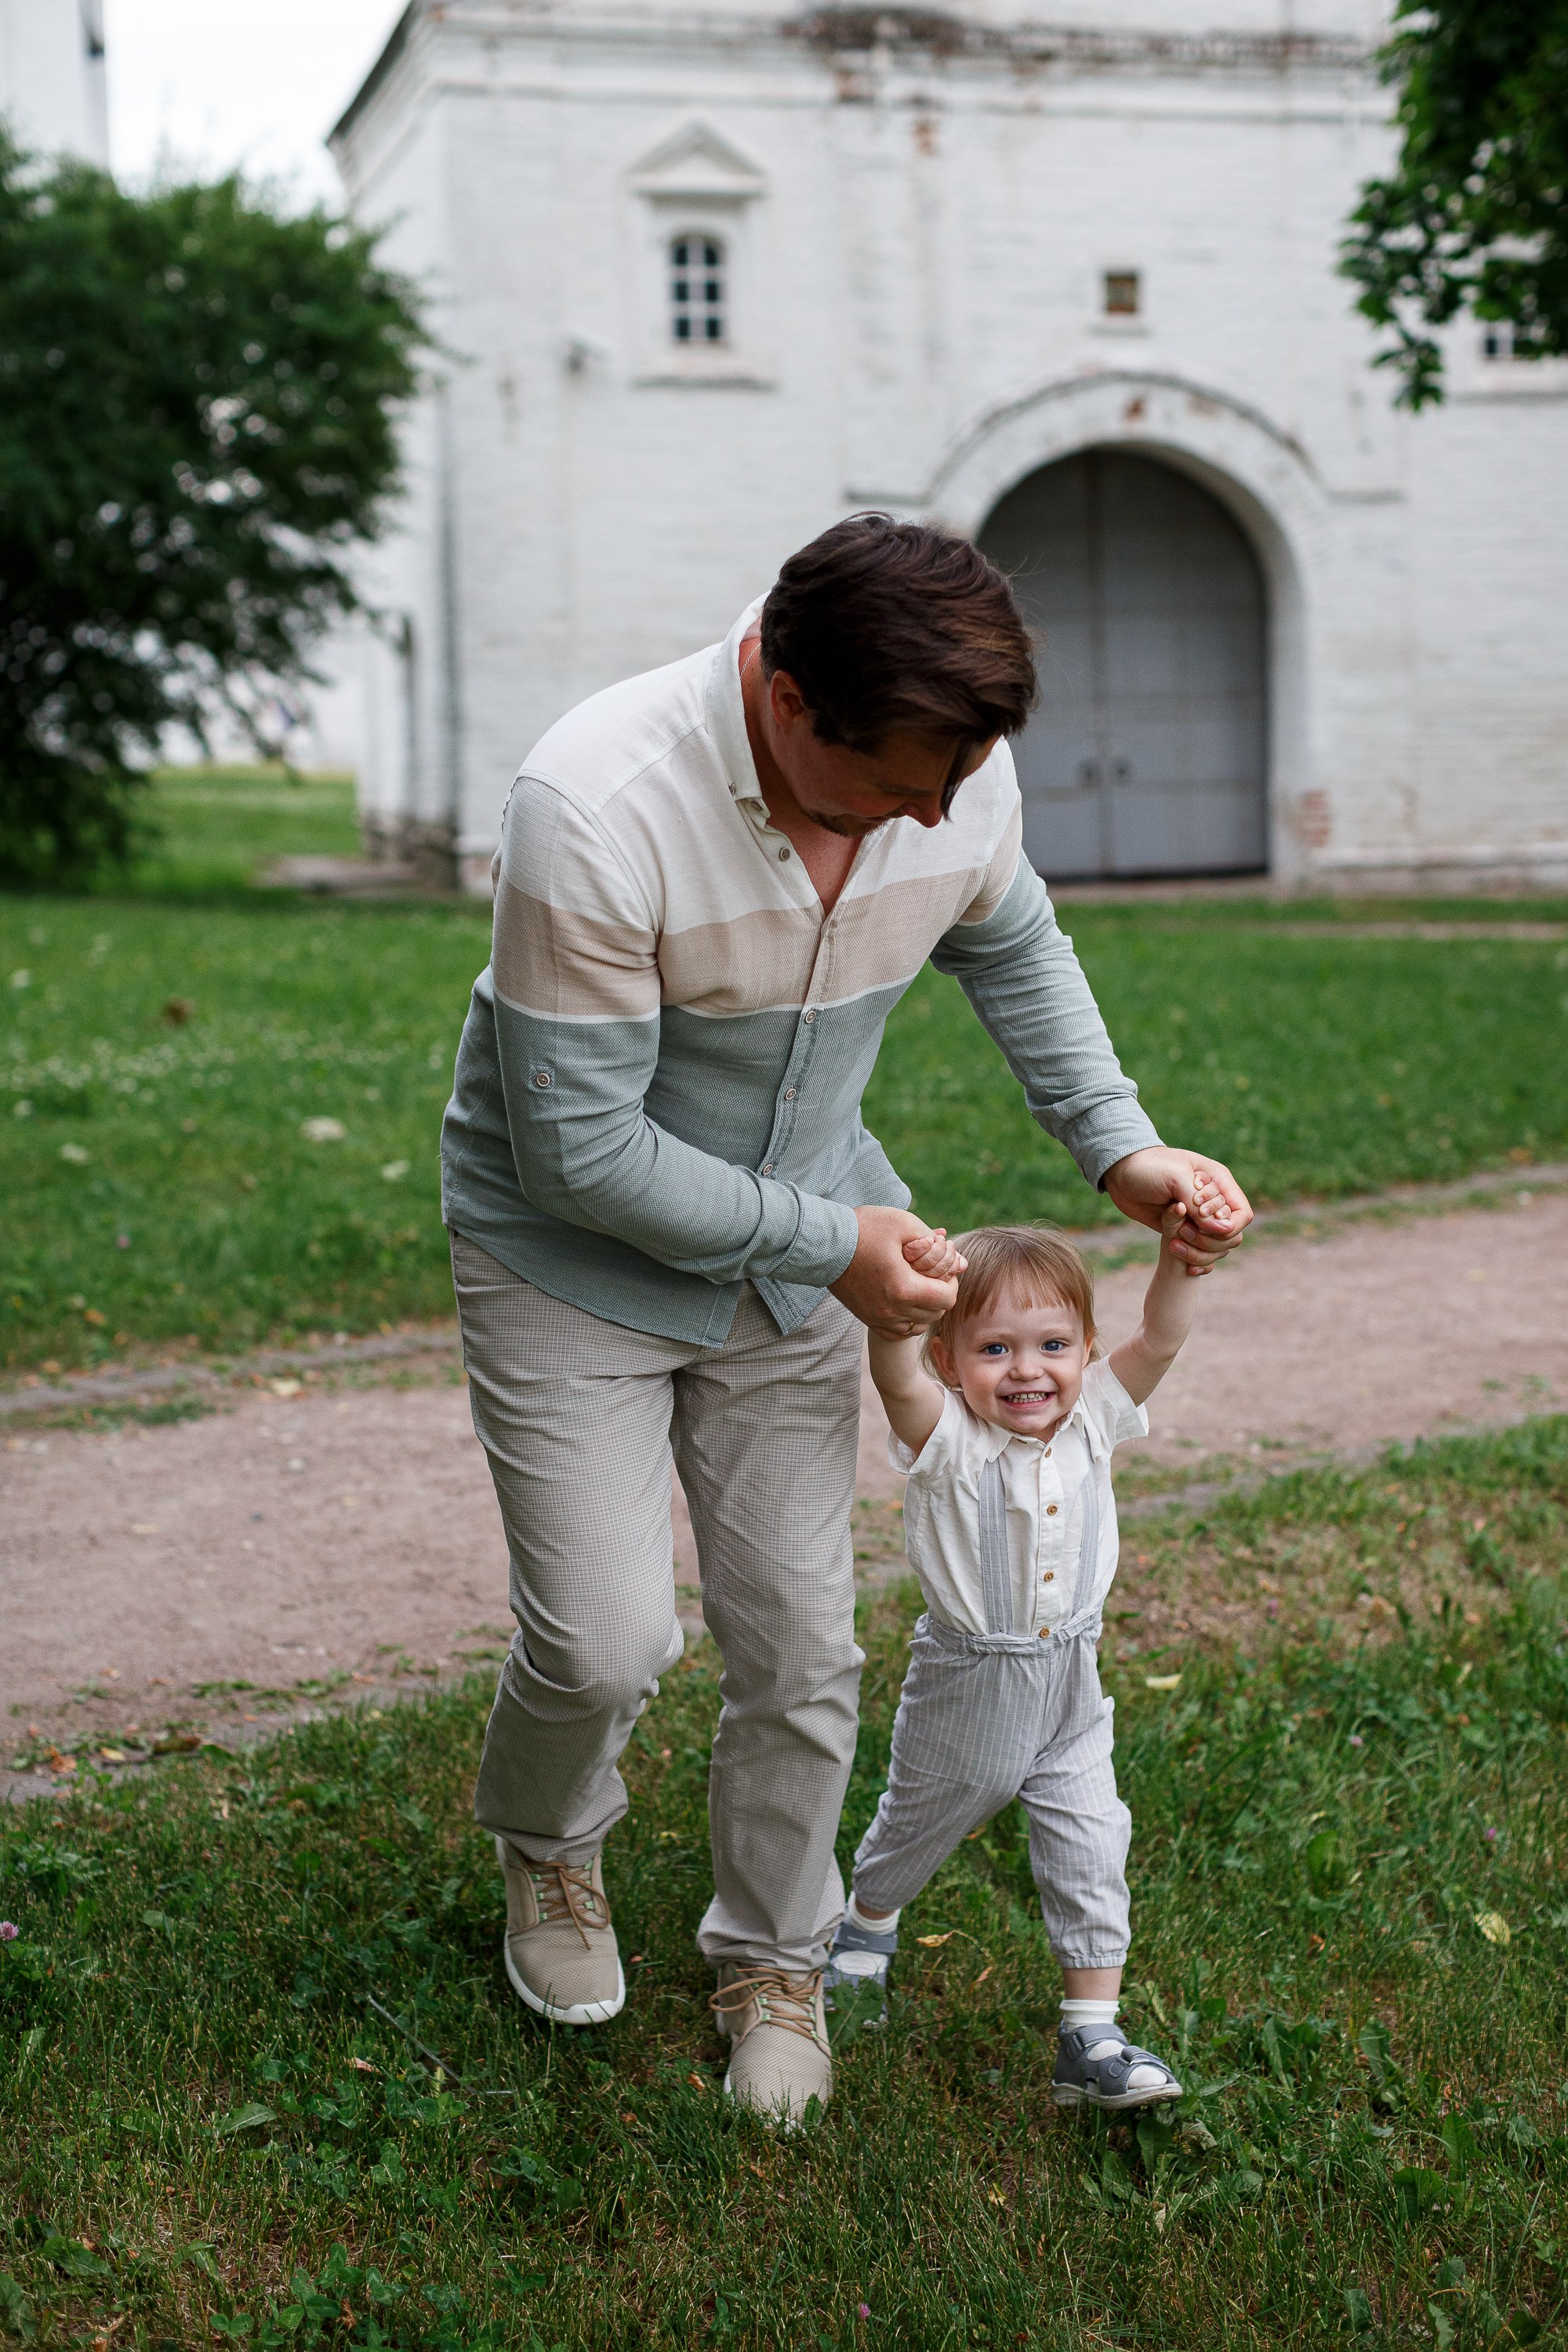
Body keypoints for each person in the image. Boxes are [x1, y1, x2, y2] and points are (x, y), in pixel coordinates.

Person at [440, 513, 1250, 2126]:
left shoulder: (946, 765)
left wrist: (1120, 1142)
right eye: (894, 784)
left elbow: (1009, 937)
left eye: (955, 784)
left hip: (807, 1247)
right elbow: (579, 1148)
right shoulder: (596, 803)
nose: (931, 820)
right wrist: (836, 1245)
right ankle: (549, 1848)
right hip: (566, 1260)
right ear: (786, 699)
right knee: (605, 1644)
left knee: (804, 1647)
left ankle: (774, 1956)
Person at [823, 1210, 1214, 2109]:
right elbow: (895, 1380)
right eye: (994, 1349)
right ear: (948, 1362)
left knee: (1091, 1832)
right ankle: (865, 1926)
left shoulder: (1093, 1422)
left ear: (1083, 1350)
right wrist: (897, 1322)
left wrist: (1181, 1263)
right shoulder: (947, 1438)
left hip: (1072, 1675)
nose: (1027, 1369)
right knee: (928, 1811)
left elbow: (1159, 1336)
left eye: (1051, 1345)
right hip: (971, 1675)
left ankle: (1089, 2033)